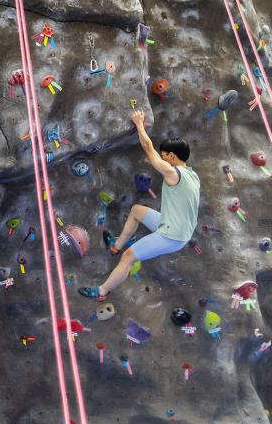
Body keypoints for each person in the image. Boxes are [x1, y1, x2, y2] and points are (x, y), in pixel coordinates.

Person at [78, 110, 200, 301]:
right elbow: (161, 165)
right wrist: (156, 162)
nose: (162, 158)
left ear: (173, 157)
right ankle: (116, 246)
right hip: (173, 224)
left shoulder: (172, 173)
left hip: (172, 236)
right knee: (136, 211)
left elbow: (148, 147)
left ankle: (102, 291)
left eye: (165, 156)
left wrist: (139, 124)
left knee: (129, 257)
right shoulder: (191, 174)